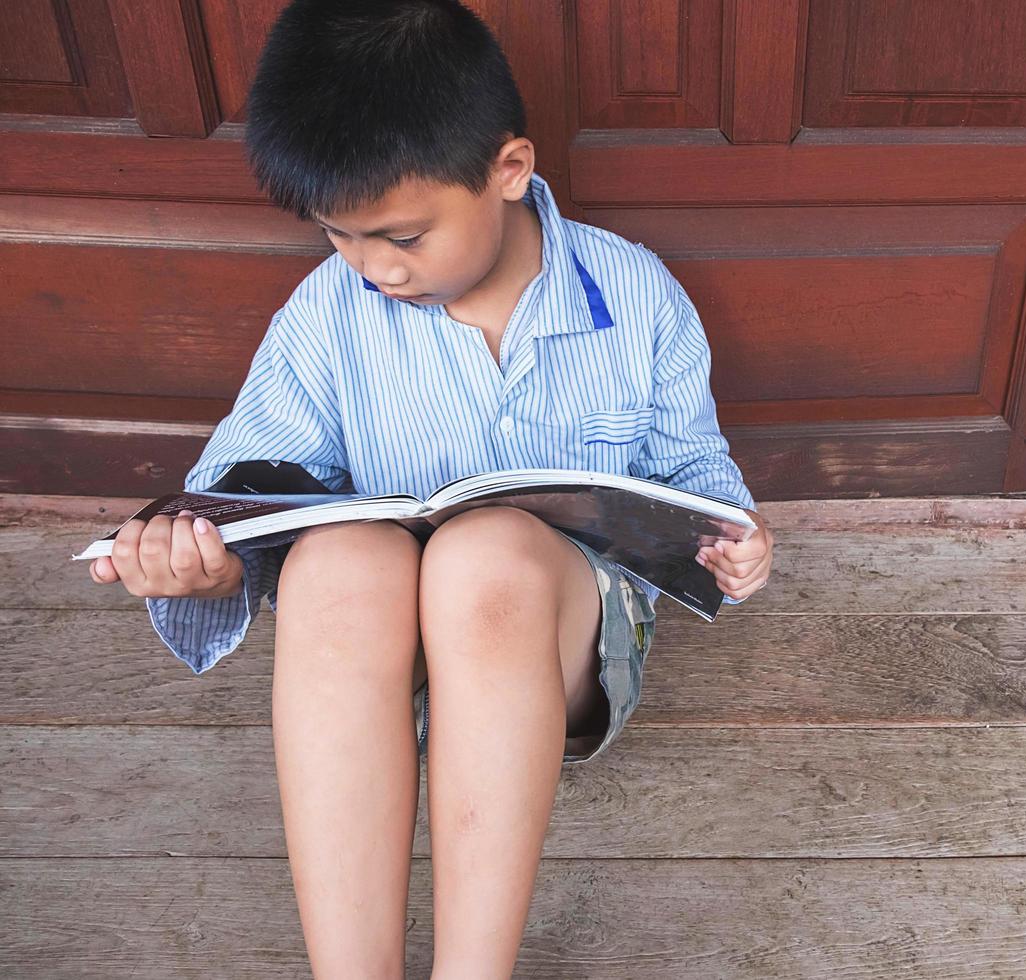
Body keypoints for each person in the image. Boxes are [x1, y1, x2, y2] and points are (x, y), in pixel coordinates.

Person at [85, 0, 773, 975]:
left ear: (508, 171)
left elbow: (695, 476)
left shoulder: (635, 296)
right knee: (335, 560)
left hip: (545, 636)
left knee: (484, 556)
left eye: (400, 236)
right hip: (377, 650)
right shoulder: (329, 313)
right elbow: (240, 490)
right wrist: (198, 563)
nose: (373, 269)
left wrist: (731, 538)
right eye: (341, 237)